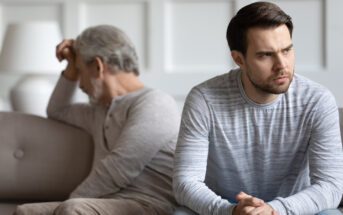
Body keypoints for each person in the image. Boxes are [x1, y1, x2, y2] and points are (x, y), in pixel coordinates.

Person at [173, 2, 343, 215]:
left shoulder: (317, 100)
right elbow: (185, 183)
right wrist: (232, 210)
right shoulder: (203, 100)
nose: (282, 65)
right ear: (239, 59)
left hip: (294, 207)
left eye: (287, 50)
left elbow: (331, 185)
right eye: (265, 55)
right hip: (228, 207)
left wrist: (274, 209)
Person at [14, 25, 180, 215]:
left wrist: (69, 203)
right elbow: (57, 110)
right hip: (102, 203)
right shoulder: (98, 111)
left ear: (98, 66)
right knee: (25, 211)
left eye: (80, 71)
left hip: (149, 205)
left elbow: (120, 167)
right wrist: (71, 66)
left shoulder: (155, 102)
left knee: (73, 209)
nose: (80, 84)